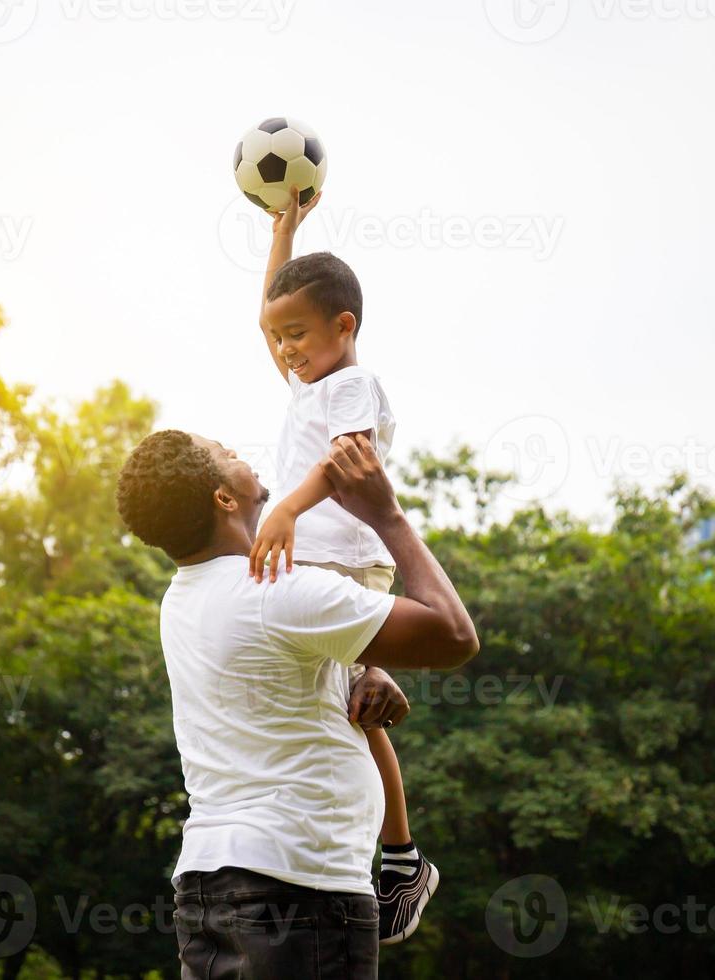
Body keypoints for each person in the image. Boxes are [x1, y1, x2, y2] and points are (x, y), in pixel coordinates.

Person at [115, 428, 478, 979]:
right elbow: (455, 636)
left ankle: (405, 864)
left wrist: (363, 668)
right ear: (223, 497)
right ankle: (406, 866)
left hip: (208, 890)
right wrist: (388, 516)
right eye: (225, 455)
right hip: (298, 890)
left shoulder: (182, 600)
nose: (238, 451)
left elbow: (290, 674)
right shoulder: (275, 592)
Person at [245, 187, 438, 944]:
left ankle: (400, 857)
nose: (285, 349)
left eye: (298, 334)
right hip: (314, 568)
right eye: (278, 339)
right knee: (344, 707)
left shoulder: (352, 385)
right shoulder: (310, 378)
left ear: (343, 327)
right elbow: (272, 314)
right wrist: (284, 233)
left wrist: (287, 507)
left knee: (356, 706)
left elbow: (349, 460)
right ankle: (393, 851)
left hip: (351, 563)